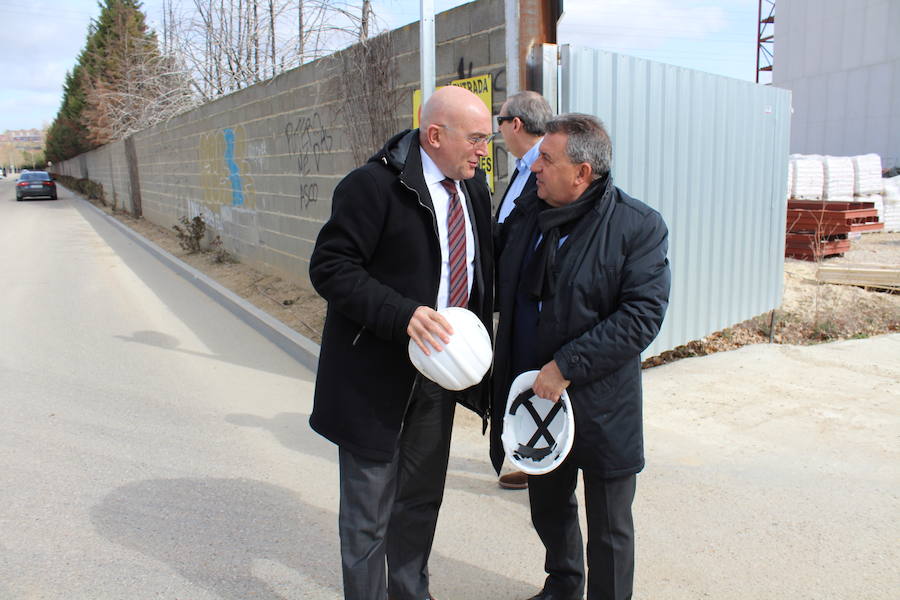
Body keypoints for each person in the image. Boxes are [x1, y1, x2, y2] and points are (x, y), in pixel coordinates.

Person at [308, 85, 495, 600]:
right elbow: (331, 268)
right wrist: (403, 314)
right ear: (434, 135)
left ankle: (411, 593)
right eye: (476, 139)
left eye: (487, 139)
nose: (484, 151)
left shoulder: (473, 189)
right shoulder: (372, 187)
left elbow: (481, 271)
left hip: (439, 376)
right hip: (375, 378)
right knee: (367, 515)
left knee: (419, 502)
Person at [490, 113, 671, 600]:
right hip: (536, 398)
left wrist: (566, 366)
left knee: (610, 525)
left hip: (603, 402)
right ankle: (564, 585)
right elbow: (495, 276)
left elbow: (641, 317)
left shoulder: (637, 226)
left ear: (582, 173)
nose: (535, 168)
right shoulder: (529, 215)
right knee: (548, 507)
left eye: (546, 160)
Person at [493, 90, 554, 491]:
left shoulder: (542, 169)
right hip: (517, 297)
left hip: (535, 301)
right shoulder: (521, 168)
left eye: (499, 122)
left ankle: (539, 457)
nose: (497, 132)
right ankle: (529, 454)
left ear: (515, 123)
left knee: (534, 379)